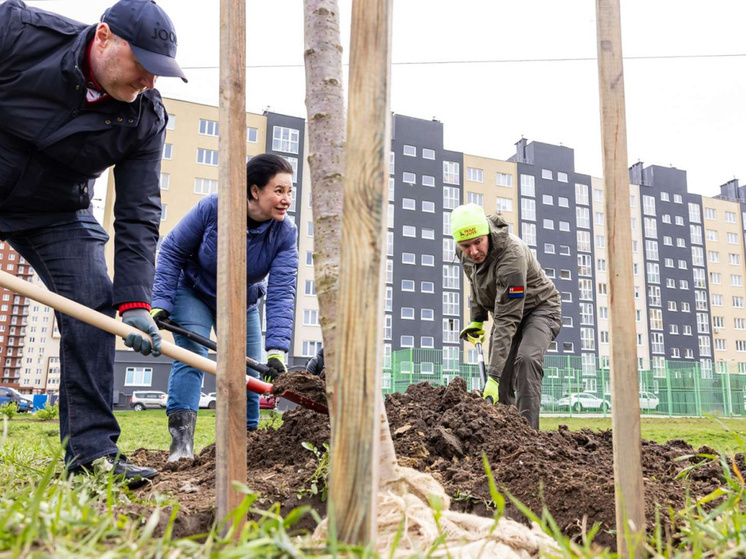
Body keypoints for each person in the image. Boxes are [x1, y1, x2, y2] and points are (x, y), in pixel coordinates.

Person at [0, 0, 187, 483]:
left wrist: (135, 302)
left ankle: (90, 456)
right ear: (103, 37)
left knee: (93, 307)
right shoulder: (17, 33)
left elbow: (138, 211)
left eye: (158, 72)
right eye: (143, 66)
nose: (150, 82)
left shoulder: (144, 115)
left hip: (57, 212)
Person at [151, 154, 298, 461]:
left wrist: (277, 350)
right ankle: (181, 447)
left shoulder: (285, 232)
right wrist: (160, 302)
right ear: (255, 191)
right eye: (279, 190)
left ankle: (246, 446)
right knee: (192, 357)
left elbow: (283, 290)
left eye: (290, 191)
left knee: (249, 369)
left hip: (241, 300)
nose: (286, 200)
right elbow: (172, 250)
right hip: (193, 291)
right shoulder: (214, 208)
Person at [452, 203, 561, 430]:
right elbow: (476, 284)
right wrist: (477, 320)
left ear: (487, 234)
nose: (473, 251)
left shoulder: (511, 255)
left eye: (477, 242)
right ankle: (507, 437)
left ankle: (529, 434)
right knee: (500, 382)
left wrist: (491, 375)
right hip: (507, 312)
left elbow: (507, 319)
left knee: (527, 359)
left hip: (539, 309)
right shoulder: (465, 255)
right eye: (465, 246)